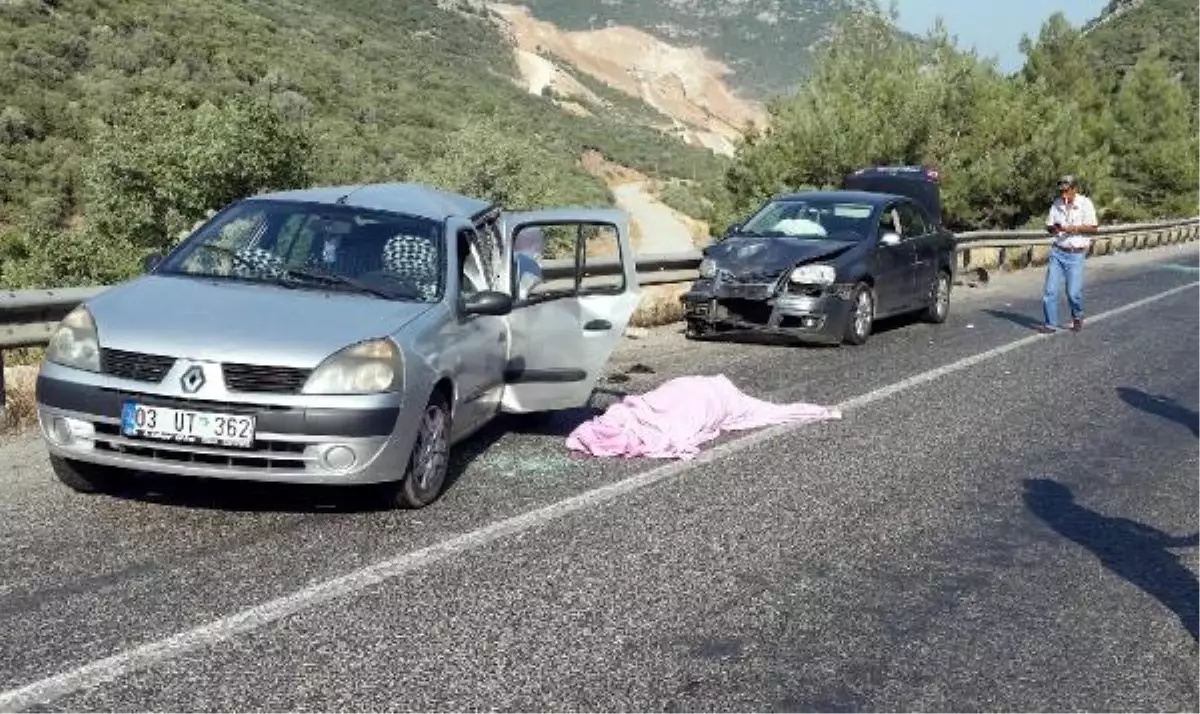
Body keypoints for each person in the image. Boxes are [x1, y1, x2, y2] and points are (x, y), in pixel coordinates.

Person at [1038, 174, 1098, 333]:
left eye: (1067, 191)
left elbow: (1093, 228)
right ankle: (1050, 324)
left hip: (1076, 254)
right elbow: (1049, 225)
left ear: (1074, 189)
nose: (1064, 195)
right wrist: (1053, 228)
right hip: (1058, 251)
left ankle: (1077, 315)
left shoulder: (1085, 203)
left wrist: (1074, 229)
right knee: (1050, 291)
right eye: (1062, 191)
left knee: (1073, 293)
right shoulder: (1057, 204)